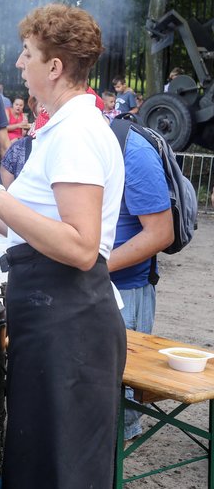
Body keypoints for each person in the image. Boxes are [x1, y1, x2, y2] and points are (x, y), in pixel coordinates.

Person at [0, 3, 126, 488]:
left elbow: (81, 247)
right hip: (51, 315)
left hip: (70, 323)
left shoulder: (77, 133)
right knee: (38, 463)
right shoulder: (61, 128)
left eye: (26, 54)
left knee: (61, 471)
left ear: (54, 67)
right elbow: (35, 229)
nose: (19, 63)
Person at [108, 117, 174, 442]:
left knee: (121, 399)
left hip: (127, 290)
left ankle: (121, 455)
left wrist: (90, 264)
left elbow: (161, 233)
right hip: (86, 286)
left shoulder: (132, 149)